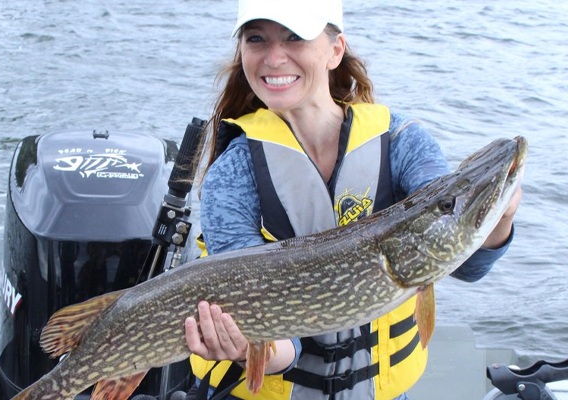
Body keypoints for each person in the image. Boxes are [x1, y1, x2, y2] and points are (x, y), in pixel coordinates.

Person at [183, 0, 523, 399]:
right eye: (256, 39)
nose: (274, 58)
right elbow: (279, 342)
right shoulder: (232, 173)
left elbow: (464, 264)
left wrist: (501, 217)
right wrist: (244, 348)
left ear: (335, 50)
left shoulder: (401, 142)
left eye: (295, 38)